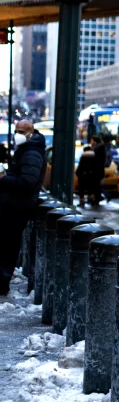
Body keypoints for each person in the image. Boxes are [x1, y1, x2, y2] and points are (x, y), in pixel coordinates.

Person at [0, 121, 47, 295]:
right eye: (16, 131)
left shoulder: (32, 152)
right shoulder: (27, 149)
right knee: (7, 243)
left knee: (8, 244)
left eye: (21, 131)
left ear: (30, 132)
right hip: (15, 204)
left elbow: (28, 182)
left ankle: (2, 281)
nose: (17, 134)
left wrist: (4, 179)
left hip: (17, 206)